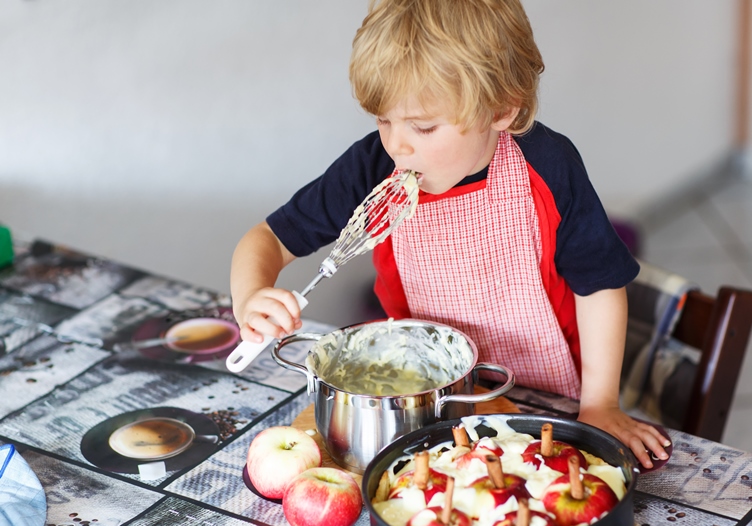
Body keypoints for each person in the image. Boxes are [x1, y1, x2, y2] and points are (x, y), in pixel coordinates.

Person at [231, 0, 670, 468]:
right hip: (426, 405)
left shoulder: (549, 165)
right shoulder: (373, 168)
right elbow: (268, 239)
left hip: (543, 399)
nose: (397, 144)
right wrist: (251, 295)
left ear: (501, 109)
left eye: (423, 126)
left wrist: (600, 404)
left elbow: (600, 285)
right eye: (383, 120)